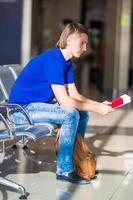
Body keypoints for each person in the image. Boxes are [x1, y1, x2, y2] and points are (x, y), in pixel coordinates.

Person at [9, 22, 113, 184]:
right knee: (70, 113)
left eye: (86, 43)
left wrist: (99, 104)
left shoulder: (66, 63)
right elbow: (65, 101)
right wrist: (97, 109)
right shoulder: (54, 61)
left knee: (83, 113)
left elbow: (75, 94)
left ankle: (78, 158)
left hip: (35, 108)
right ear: (70, 41)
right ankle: (65, 170)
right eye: (82, 43)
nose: (85, 48)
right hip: (21, 112)